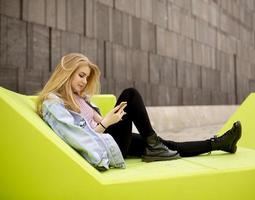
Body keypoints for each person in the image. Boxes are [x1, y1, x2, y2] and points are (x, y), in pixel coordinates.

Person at [37, 53, 242, 171]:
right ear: (67, 73)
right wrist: (107, 122)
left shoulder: (81, 99)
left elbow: (98, 123)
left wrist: (110, 119)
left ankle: (220, 144)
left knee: (167, 145)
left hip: (108, 139)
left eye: (86, 77)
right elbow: (80, 139)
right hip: (102, 148)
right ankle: (154, 145)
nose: (83, 82)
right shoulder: (54, 104)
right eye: (80, 75)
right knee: (130, 94)